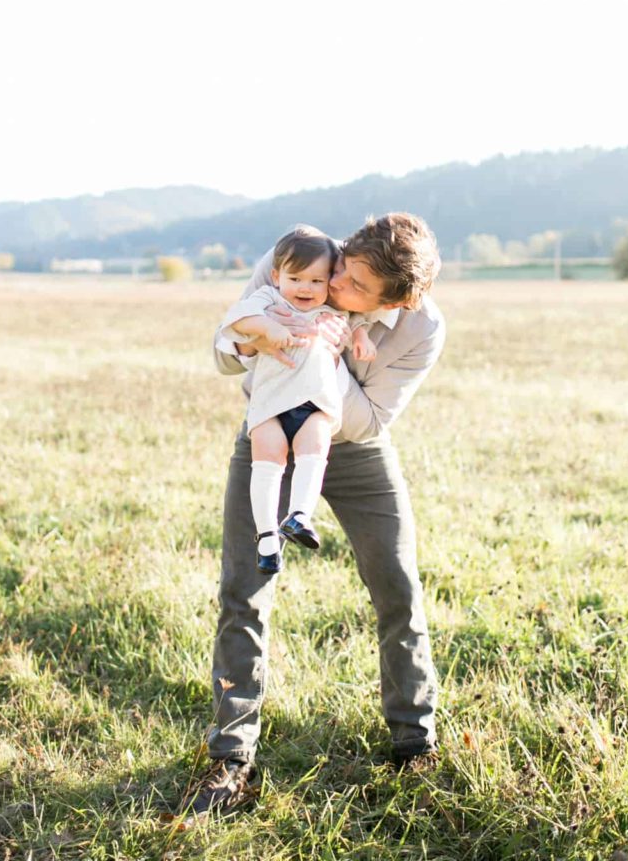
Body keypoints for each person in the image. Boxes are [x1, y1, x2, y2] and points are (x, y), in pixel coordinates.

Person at [179, 212, 445, 829]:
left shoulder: (423, 327)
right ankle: (231, 756)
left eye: (354, 287)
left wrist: (319, 358)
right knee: (243, 589)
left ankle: (414, 741)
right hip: (267, 435)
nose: (336, 287)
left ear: (398, 300)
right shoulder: (301, 256)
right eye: (341, 270)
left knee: (397, 585)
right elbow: (225, 353)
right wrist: (258, 341)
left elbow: (372, 417)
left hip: (352, 447)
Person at [218, 226, 377, 574]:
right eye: (296, 278)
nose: (306, 288)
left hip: (315, 404)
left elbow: (357, 322)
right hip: (272, 404)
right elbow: (236, 318)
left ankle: (300, 516)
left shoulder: (333, 310)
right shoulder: (269, 300)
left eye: (317, 281)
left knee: (316, 445)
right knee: (269, 458)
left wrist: (362, 338)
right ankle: (267, 538)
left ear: (329, 283)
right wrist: (266, 329)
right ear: (277, 277)